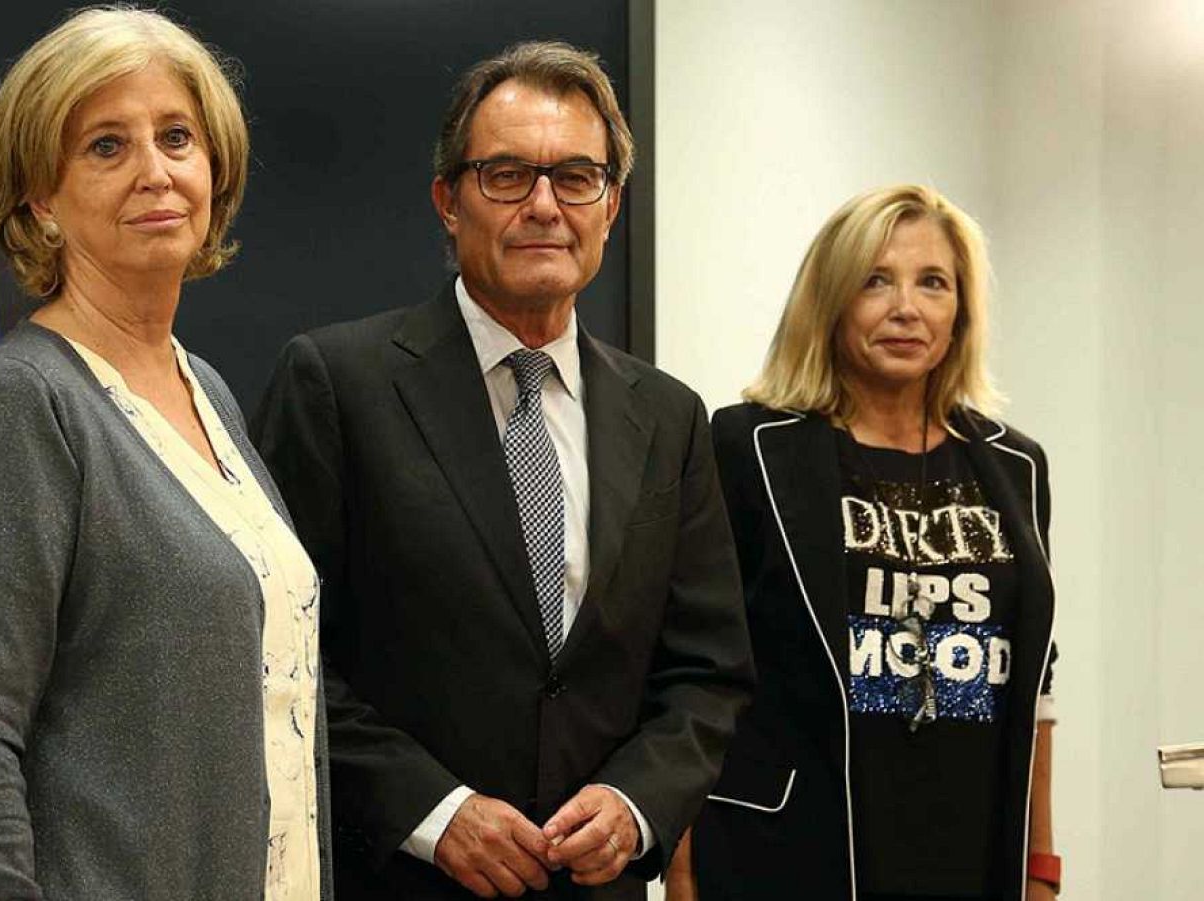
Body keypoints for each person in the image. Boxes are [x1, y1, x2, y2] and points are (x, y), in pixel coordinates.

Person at [253, 41, 754, 900]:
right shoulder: (337, 382)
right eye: (508, 175)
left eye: (576, 177)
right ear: (449, 202)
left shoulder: (669, 417)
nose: (545, 206)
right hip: (397, 875)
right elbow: (277, 651)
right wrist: (434, 812)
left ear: (611, 205)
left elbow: (708, 670)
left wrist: (637, 802)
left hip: (593, 883)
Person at [0, 9, 331, 899]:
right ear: (40, 197)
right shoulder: (22, 404)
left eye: (177, 137)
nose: (156, 171)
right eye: (107, 146)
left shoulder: (205, 388)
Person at [672, 185, 1059, 901]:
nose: (905, 307)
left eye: (933, 283)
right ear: (830, 299)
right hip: (790, 848)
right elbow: (694, 670)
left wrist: (1041, 862)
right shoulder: (748, 446)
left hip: (971, 844)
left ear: (961, 312)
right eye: (875, 280)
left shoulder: (1016, 466)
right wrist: (681, 865)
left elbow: (1036, 686)